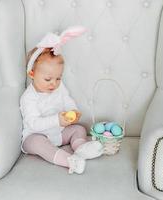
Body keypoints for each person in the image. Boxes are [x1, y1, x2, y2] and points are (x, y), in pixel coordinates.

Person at [19, 26, 103, 174]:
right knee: (37, 143)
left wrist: (73, 111)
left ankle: (82, 149)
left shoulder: (59, 87)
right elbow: (34, 123)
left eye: (58, 78)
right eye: (48, 79)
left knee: (79, 129)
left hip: (58, 133)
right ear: (31, 73)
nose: (54, 83)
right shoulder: (29, 98)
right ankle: (70, 161)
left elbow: (66, 99)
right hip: (37, 135)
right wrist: (57, 120)